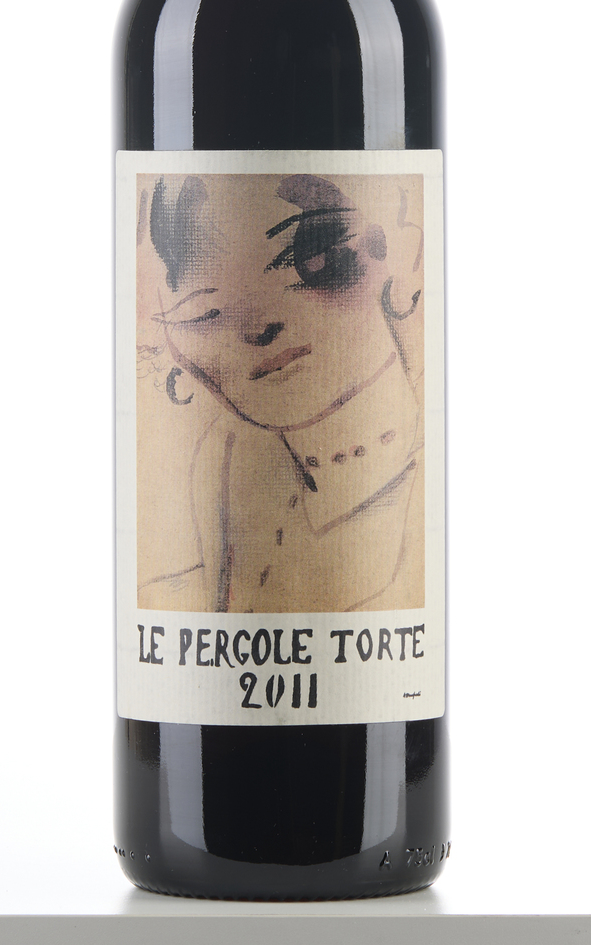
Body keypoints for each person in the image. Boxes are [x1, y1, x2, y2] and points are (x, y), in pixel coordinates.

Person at [135, 172, 425, 614]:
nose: (259, 326)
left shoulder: (435, 470)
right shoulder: (230, 454)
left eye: (310, 258)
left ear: (394, 244)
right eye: (202, 314)